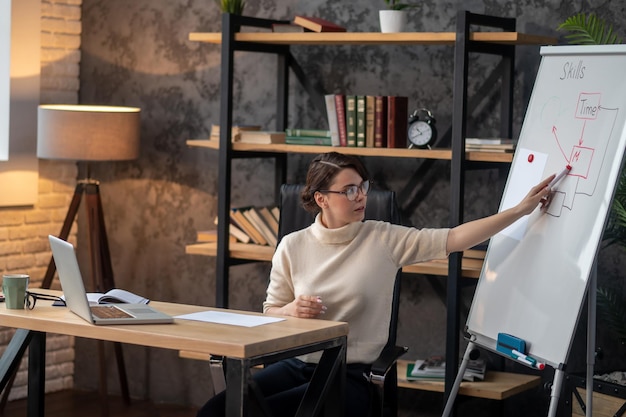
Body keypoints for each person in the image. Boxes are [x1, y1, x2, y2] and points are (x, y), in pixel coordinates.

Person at [197, 151, 555, 417]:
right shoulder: (293, 246)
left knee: (270, 412)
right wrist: (289, 310)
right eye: (349, 190)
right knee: (216, 411)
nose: (361, 197)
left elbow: (455, 238)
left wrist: (520, 211)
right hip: (297, 364)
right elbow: (271, 312)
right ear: (321, 198)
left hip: (351, 375)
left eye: (363, 187)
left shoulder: (383, 239)